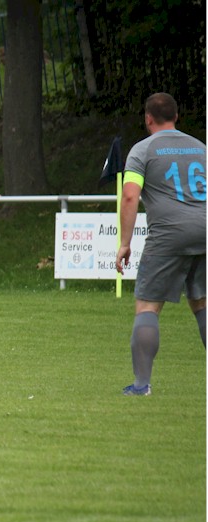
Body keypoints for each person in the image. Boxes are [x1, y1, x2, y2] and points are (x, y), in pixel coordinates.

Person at [115, 92, 206, 396]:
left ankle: (141, 385)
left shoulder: (142, 150)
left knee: (148, 307)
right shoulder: (201, 148)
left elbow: (129, 195)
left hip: (169, 233)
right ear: (177, 116)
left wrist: (124, 243)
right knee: (203, 304)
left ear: (148, 118)